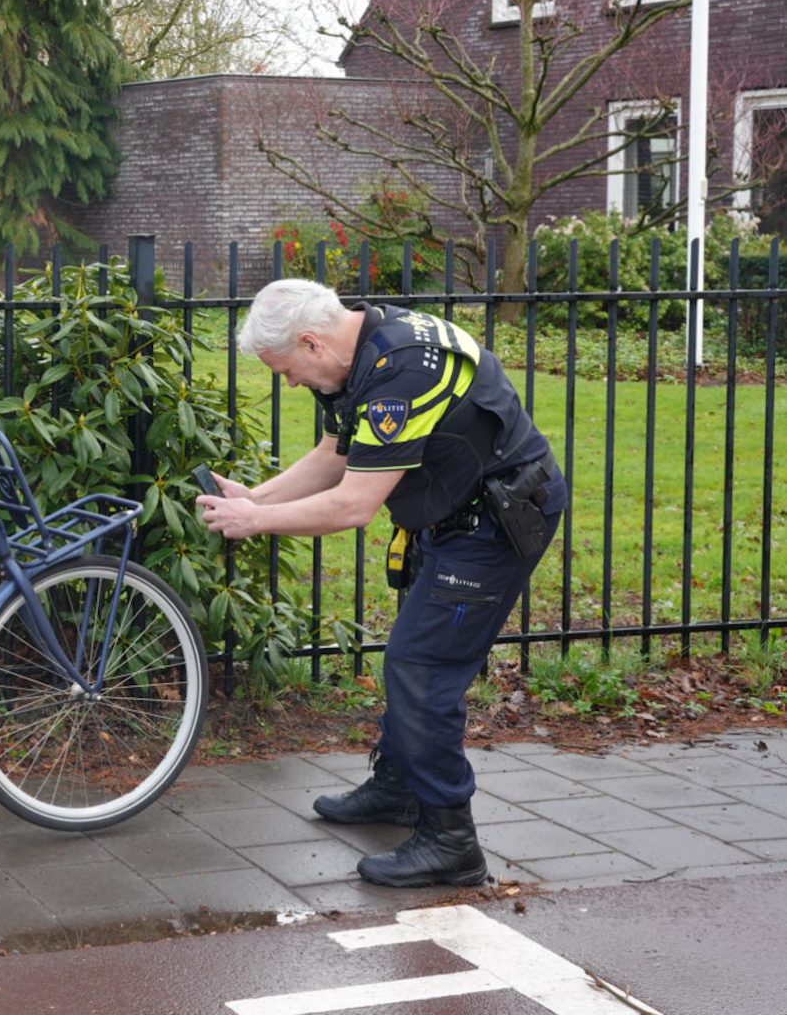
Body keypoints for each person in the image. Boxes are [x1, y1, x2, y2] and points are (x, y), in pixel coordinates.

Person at [197, 279, 565, 888]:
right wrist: (255, 499)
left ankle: (451, 842)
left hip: (495, 522)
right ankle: (400, 789)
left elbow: (354, 505)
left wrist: (256, 521)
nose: (290, 384)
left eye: (286, 370)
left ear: (310, 343)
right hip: (455, 513)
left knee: (421, 666)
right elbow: (335, 455)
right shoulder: (360, 354)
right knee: (416, 656)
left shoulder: (403, 371)